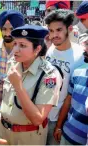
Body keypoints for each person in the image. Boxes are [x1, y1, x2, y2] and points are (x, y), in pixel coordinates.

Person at [0, 25, 62, 145]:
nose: (15, 49)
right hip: (2, 130)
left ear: (37, 49)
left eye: (23, 45)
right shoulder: (13, 63)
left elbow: (37, 119)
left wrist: (18, 86)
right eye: (15, 44)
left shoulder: (49, 75)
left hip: (27, 137)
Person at [44, 9, 85, 145]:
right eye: (51, 31)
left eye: (59, 30)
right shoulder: (49, 50)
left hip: (61, 119)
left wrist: (60, 125)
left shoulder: (80, 56)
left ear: (69, 29)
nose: (54, 35)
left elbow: (72, 95)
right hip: (42, 113)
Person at [0, 10, 25, 134]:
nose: (7, 33)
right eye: (4, 29)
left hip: (16, 107)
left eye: (11, 29)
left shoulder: (24, 51)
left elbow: (23, 80)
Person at [56, 31, 88, 145]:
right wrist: (59, 126)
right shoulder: (77, 72)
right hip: (66, 135)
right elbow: (68, 101)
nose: (85, 48)